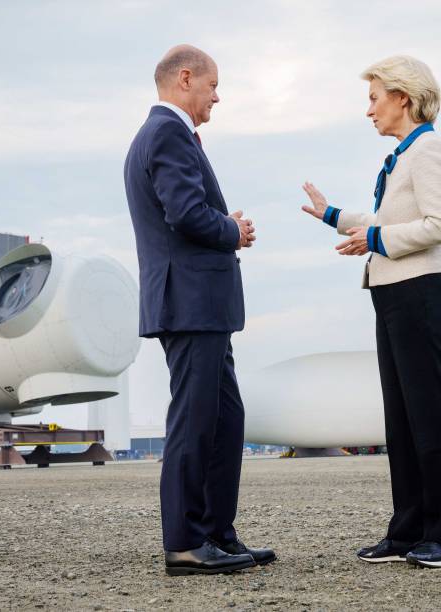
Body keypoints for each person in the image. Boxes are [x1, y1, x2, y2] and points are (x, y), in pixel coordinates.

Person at [301, 55, 441, 568]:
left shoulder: (429, 150)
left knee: (429, 416)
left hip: (421, 293)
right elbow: (385, 220)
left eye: (374, 98)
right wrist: (333, 215)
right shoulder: (403, 155)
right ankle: (407, 530)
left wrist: (375, 237)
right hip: (393, 292)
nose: (368, 110)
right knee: (400, 419)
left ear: (403, 97)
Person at [123, 44, 275, 576]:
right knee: (194, 421)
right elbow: (185, 213)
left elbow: (184, 212)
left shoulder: (164, 134)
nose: (218, 96)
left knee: (224, 419)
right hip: (189, 303)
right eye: (213, 86)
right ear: (185, 79)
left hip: (200, 304)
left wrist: (220, 221)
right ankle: (186, 542)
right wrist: (232, 229)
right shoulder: (167, 132)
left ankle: (217, 532)